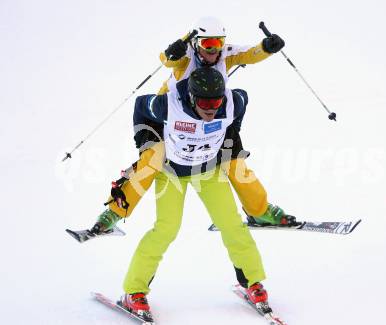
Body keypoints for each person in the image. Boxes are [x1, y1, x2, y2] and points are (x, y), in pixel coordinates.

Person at [92, 16, 294, 235]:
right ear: (196, 43)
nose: (214, 50)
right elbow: (166, 59)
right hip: (168, 118)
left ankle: (259, 210)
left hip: (210, 115)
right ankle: (113, 212)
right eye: (208, 44)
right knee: (153, 160)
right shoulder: (186, 55)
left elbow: (249, 54)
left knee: (234, 161)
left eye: (219, 42)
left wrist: (266, 47)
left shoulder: (224, 53)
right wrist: (175, 49)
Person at [119, 68, 271, 320]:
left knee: (232, 225)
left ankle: (252, 283)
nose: (211, 108)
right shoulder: (167, 105)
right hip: (170, 174)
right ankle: (133, 292)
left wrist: (233, 133)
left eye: (216, 101)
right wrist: (145, 143)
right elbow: (139, 105)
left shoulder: (233, 102)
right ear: (191, 97)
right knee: (166, 230)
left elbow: (242, 101)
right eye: (204, 102)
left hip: (208, 171)